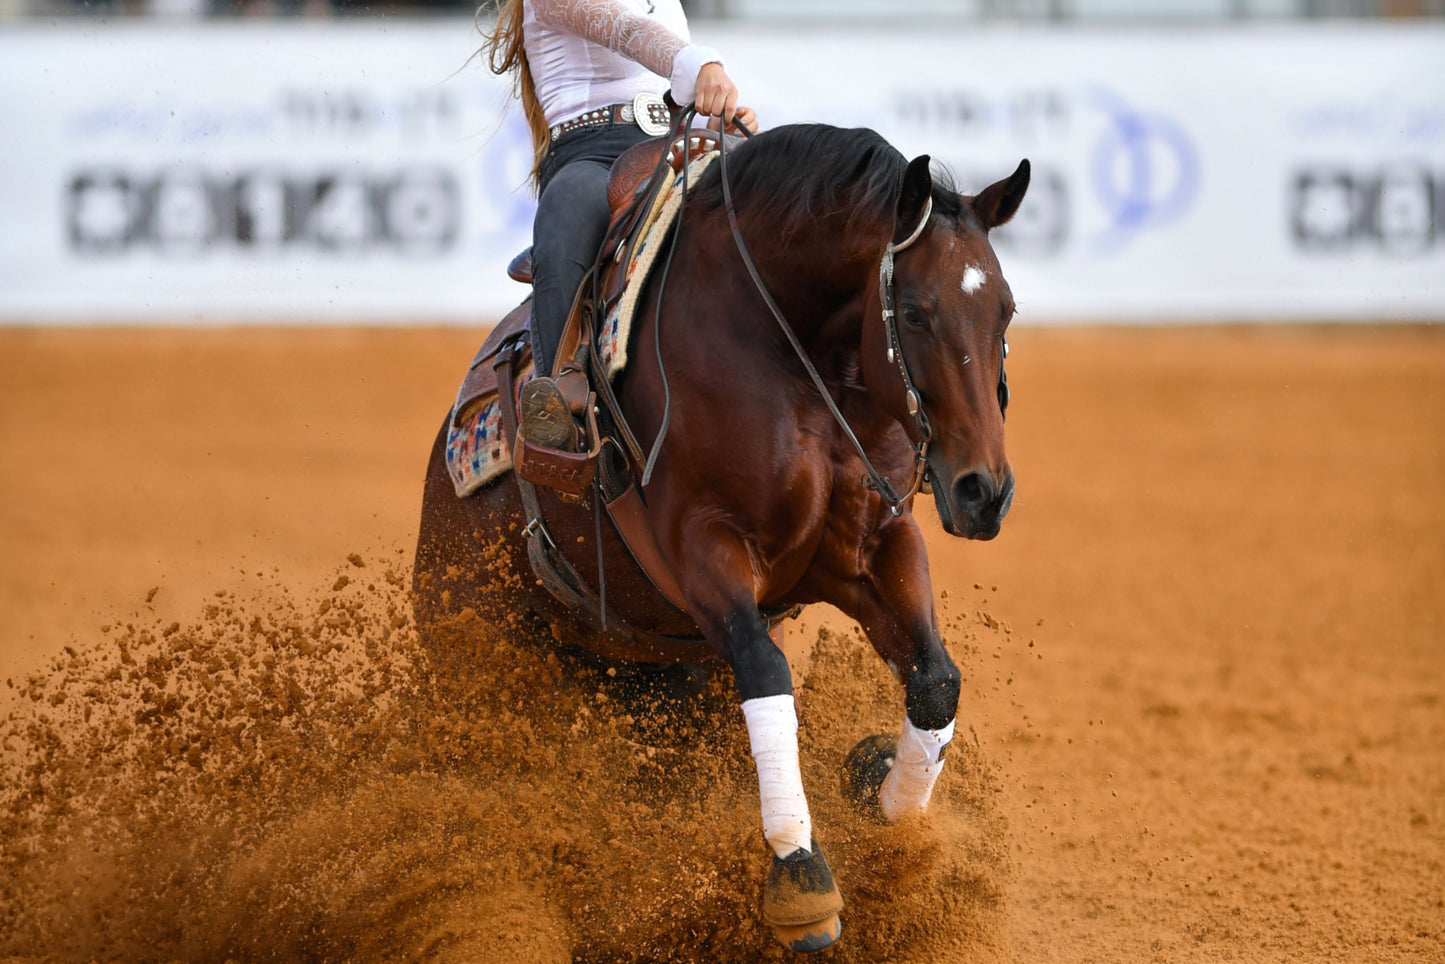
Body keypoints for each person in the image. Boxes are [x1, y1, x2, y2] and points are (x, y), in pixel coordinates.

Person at [482, 0, 756, 451]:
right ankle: (560, 398)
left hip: (675, 142)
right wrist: (700, 63)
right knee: (569, 207)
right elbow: (626, 31)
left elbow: (665, 81)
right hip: (591, 154)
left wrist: (716, 117)